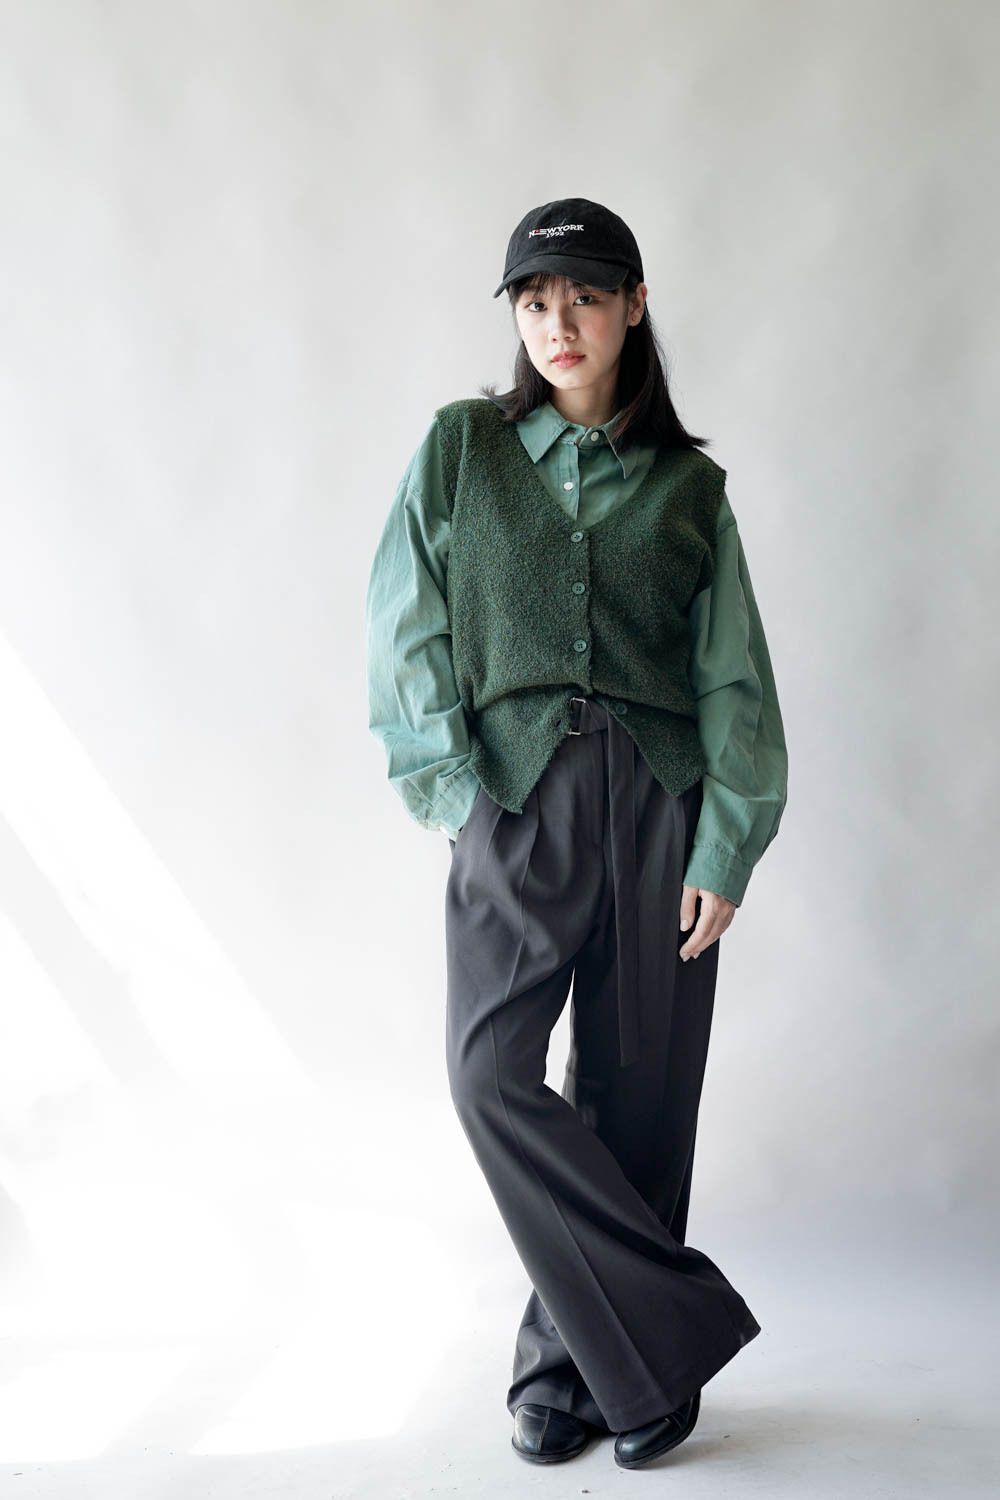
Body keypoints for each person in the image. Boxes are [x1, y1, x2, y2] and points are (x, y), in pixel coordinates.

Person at [365, 197, 788, 1470]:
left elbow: (734, 680)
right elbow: (405, 622)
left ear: (633, 307)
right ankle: (670, 1335)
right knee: (488, 1077)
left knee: (638, 1097)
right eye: (534, 301)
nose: (558, 323)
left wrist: (725, 846)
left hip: (660, 802)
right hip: (515, 797)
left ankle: (570, 1370)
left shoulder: (689, 488)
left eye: (585, 298)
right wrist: (453, 792)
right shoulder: (462, 448)